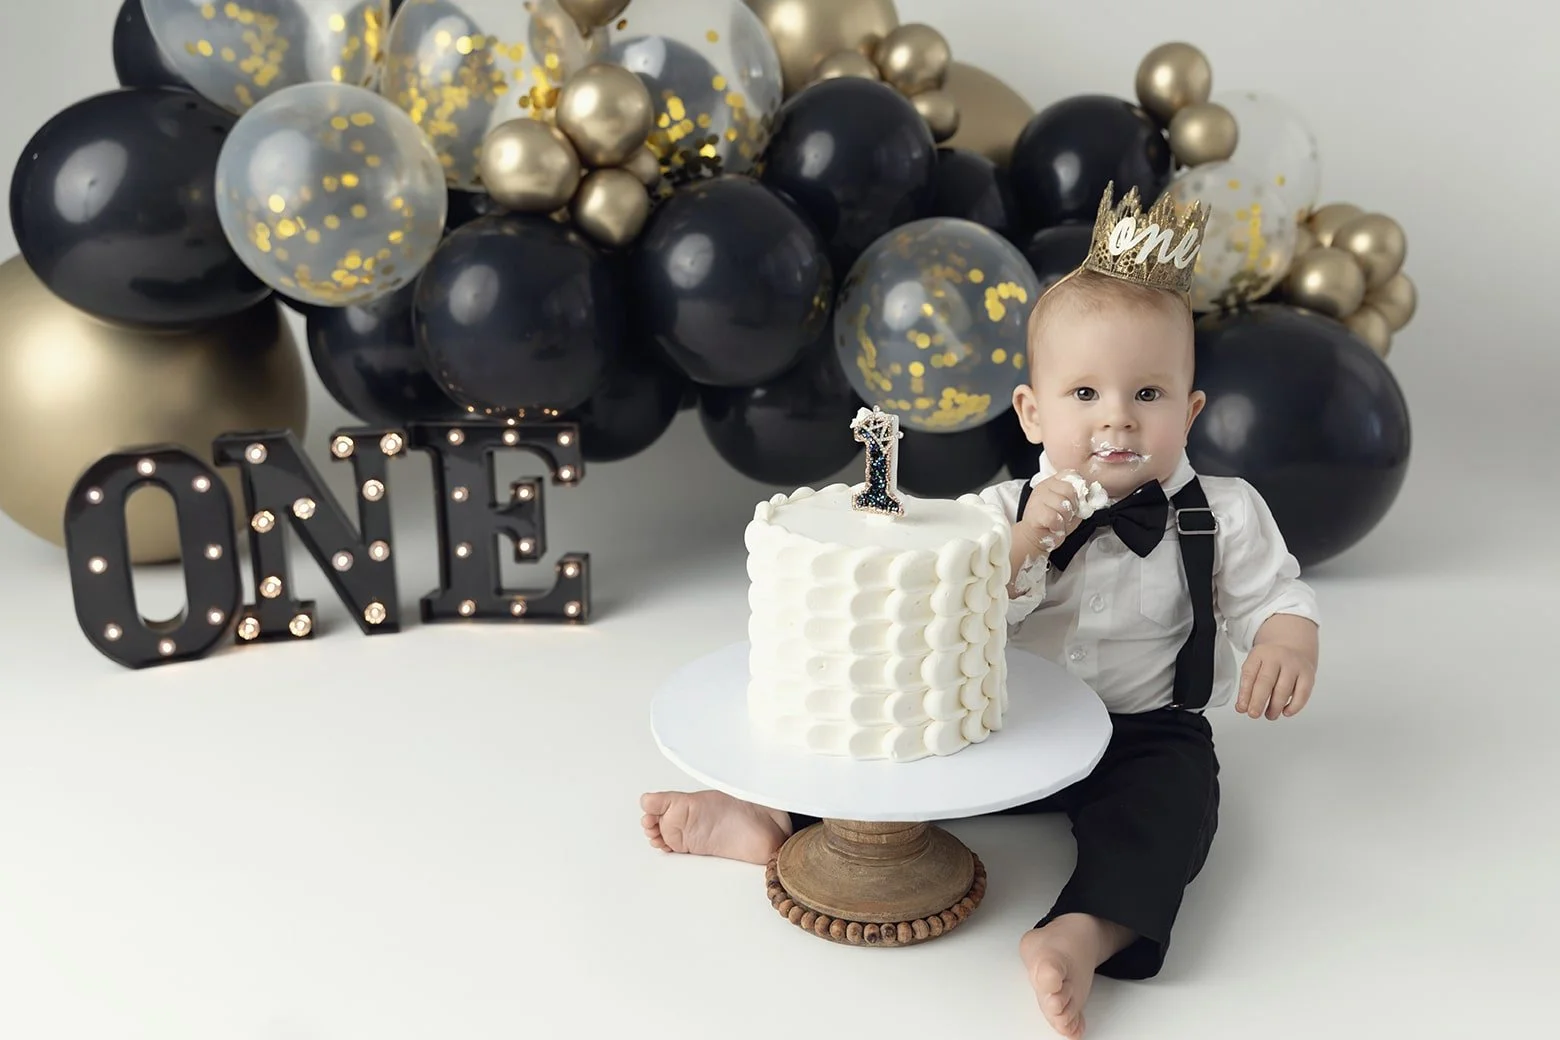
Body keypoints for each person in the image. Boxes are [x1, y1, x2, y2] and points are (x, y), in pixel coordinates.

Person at [639, 184, 1320, 1038]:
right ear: (1032, 413)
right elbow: (944, 614)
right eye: (1084, 395)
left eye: (1147, 394)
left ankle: (1083, 933)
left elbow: (1274, 592)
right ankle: (770, 812)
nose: (1116, 417)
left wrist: (1288, 638)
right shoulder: (989, 516)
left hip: (1146, 725)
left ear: (1188, 412)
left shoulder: (1227, 511)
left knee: (1173, 812)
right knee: (899, 744)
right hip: (1005, 714)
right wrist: (1025, 544)